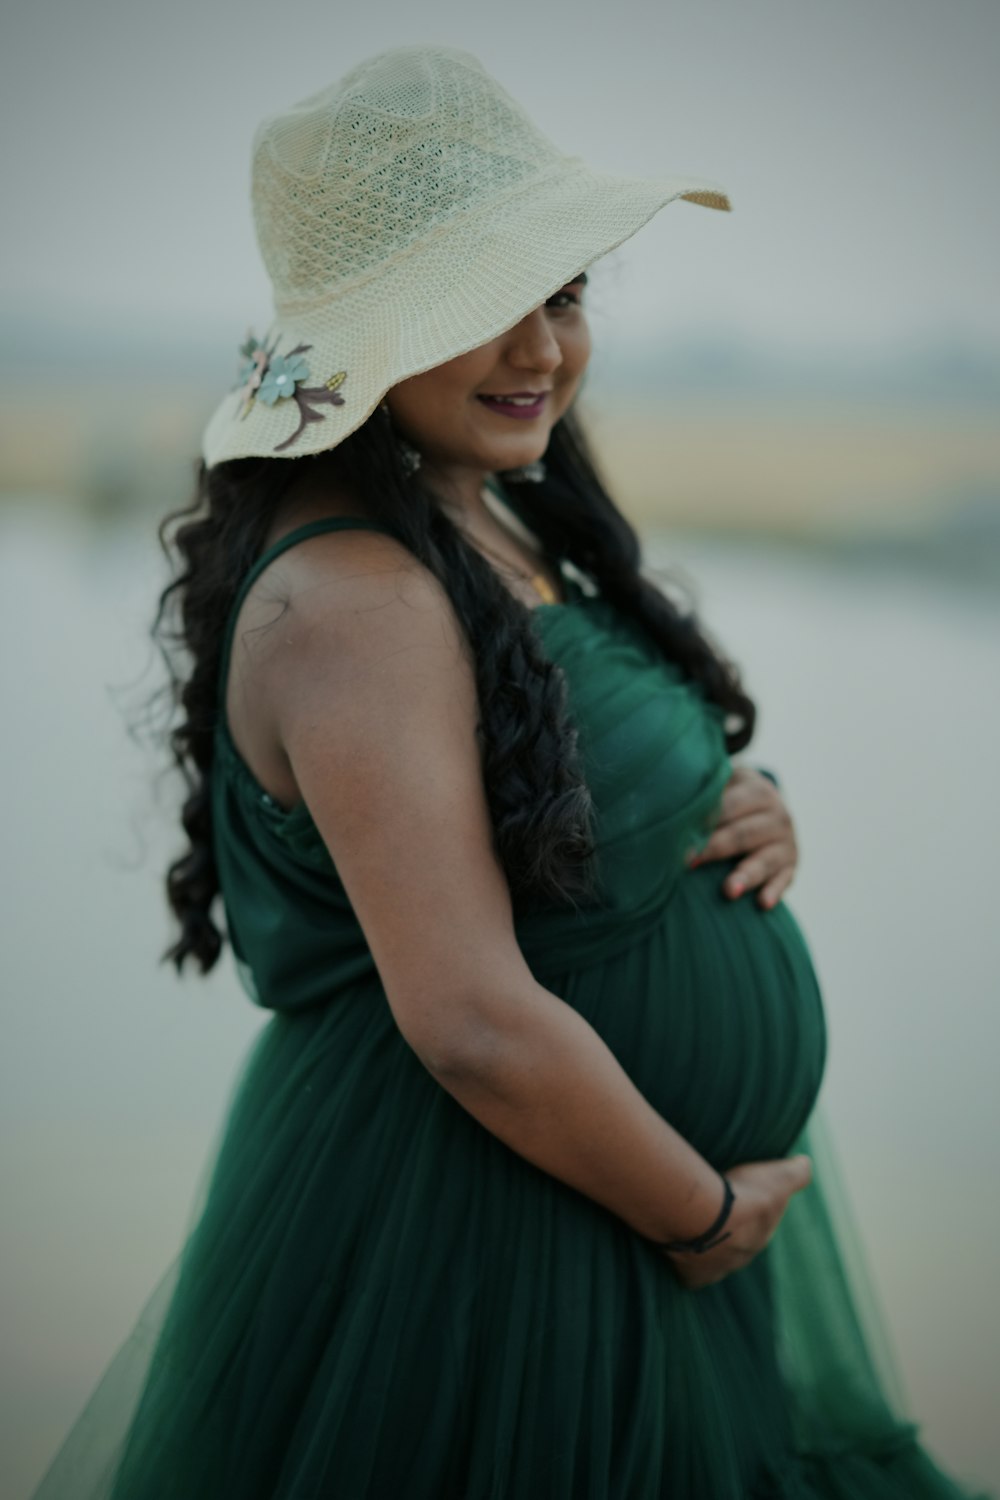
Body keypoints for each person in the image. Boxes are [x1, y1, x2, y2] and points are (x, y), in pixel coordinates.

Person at [30, 43, 991, 1500]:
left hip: (592, 1204)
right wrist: (698, 1211)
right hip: (490, 1238)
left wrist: (741, 797)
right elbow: (473, 1019)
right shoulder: (354, 601)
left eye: (564, 291)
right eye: (483, 306)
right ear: (359, 346)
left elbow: (553, 782)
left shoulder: (477, 522)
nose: (541, 347)